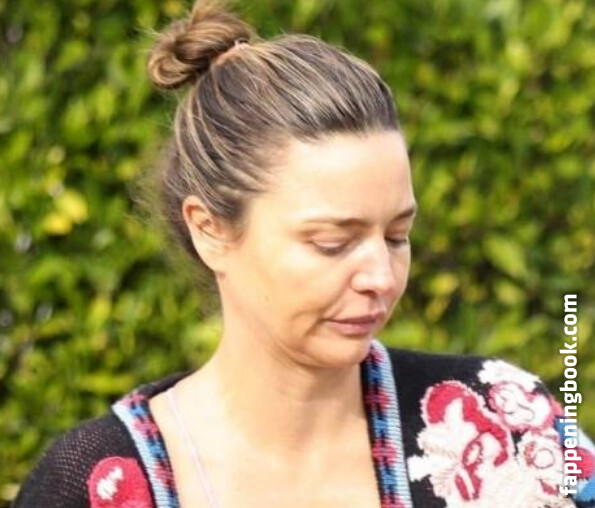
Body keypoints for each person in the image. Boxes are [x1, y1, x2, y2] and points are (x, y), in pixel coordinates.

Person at [12, 1, 595, 507]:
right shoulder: (89, 485)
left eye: (397, 235)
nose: (381, 276)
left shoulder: (510, 426)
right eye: (331, 243)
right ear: (210, 230)